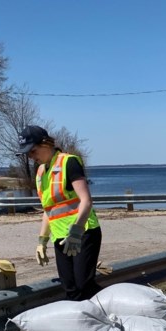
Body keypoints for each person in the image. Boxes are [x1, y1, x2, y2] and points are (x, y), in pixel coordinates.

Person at [18, 125, 102, 301]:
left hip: (83, 232)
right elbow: (48, 210)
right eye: (28, 154)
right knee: (70, 288)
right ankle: (84, 323)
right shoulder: (41, 172)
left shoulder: (69, 162)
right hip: (60, 237)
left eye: (33, 151)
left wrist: (77, 231)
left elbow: (86, 201)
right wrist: (42, 241)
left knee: (83, 285)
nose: (31, 157)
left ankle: (112, 312)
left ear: (46, 143)